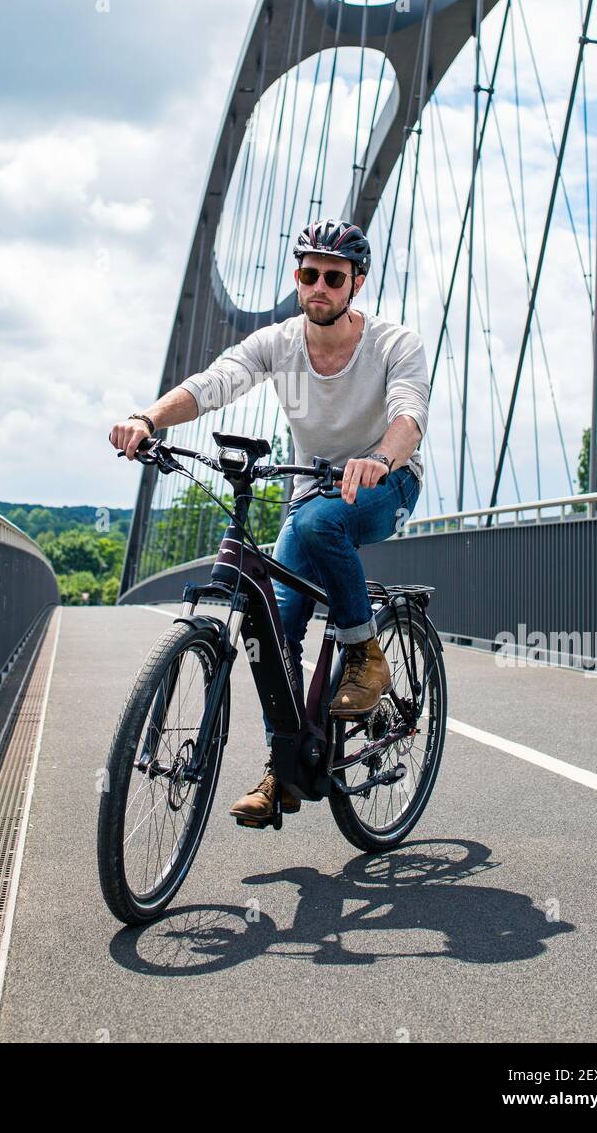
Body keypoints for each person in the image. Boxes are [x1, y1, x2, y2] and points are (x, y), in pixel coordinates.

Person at [110, 218, 430, 824]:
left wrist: (380, 459)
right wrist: (148, 419)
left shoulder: (394, 343)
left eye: (334, 278)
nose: (320, 287)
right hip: (311, 491)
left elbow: (409, 414)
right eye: (309, 274)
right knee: (271, 627)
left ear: (356, 284)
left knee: (315, 527)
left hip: (389, 480)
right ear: (297, 277)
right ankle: (282, 769)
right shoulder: (279, 343)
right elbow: (214, 383)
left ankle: (365, 656)